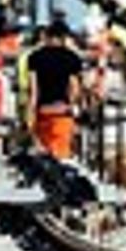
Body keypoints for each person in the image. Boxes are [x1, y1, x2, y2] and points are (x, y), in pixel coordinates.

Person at [25, 18, 86, 160]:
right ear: (64, 37)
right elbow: (74, 88)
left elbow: (33, 90)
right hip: (62, 113)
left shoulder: (34, 57)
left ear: (47, 36)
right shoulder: (72, 58)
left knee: (43, 159)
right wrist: (75, 108)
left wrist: (29, 115)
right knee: (61, 159)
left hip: (43, 112)